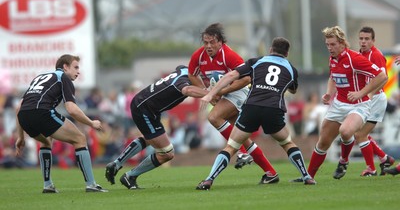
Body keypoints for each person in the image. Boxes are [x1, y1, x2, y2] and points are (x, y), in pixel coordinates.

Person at [196, 37, 316, 190]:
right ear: (287, 53)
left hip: (252, 107)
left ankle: (209, 180)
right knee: (287, 143)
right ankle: (306, 177)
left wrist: (211, 93)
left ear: (271, 49)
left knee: (232, 146)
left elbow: (231, 76)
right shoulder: (292, 69)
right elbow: (293, 89)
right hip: (273, 109)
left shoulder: (257, 61)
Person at [188, 23, 279, 184]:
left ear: (220, 42)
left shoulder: (229, 55)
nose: (208, 46)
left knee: (214, 117)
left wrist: (218, 92)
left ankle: (242, 153)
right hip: (220, 95)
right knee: (242, 137)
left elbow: (246, 78)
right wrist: (206, 90)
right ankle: (271, 173)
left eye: (212, 42)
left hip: (238, 92)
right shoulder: (199, 56)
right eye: (205, 42)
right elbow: (192, 74)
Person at [297, 26, 387, 181]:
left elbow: (382, 76)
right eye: (327, 44)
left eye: (333, 44)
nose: (329, 48)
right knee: (323, 141)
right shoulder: (332, 58)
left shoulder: (355, 58)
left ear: (342, 43)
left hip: (359, 105)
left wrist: (361, 93)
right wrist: (328, 94)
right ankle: (308, 177)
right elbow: (333, 77)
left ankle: (344, 161)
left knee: (346, 131)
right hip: (339, 104)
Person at [104, 65, 209, 189]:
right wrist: (210, 93)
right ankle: (129, 175)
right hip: (144, 109)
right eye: (206, 80)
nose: (206, 84)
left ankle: (116, 164)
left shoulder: (183, 70)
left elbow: (180, 68)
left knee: (149, 139)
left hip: (148, 107)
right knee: (167, 152)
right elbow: (187, 90)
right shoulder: (183, 83)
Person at [14, 54, 108, 193]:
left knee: (46, 141)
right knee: (80, 138)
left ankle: (48, 185)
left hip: (24, 116)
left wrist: (20, 137)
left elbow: (18, 107)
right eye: (75, 67)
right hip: (42, 113)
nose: (78, 71)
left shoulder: (39, 77)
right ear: (65, 67)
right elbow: (71, 109)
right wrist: (91, 123)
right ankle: (91, 185)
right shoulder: (63, 77)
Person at [333, 26, 394, 178]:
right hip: (366, 99)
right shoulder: (358, 54)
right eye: (361, 38)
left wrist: (369, 94)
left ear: (373, 41)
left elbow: (383, 77)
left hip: (376, 99)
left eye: (367, 39)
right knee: (358, 133)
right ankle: (384, 158)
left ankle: (371, 169)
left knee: (360, 135)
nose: (363, 41)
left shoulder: (376, 55)